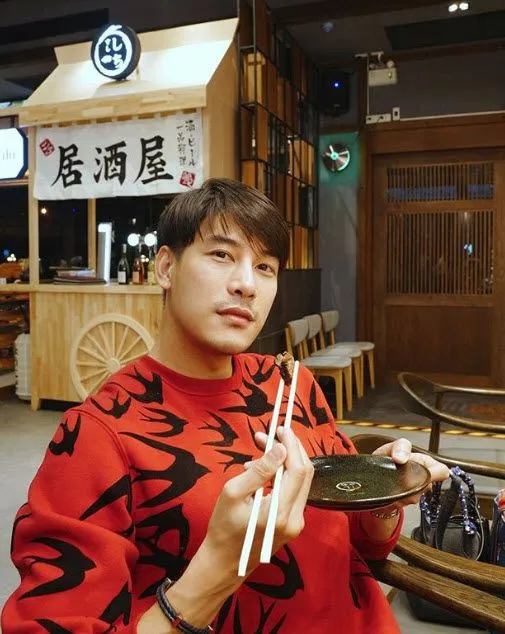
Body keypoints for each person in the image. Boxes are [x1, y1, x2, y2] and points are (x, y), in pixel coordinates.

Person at [1, 178, 449, 634]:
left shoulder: (291, 383)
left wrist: (383, 496)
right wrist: (219, 565)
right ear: (166, 268)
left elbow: (364, 547)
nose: (247, 285)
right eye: (221, 255)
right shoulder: (97, 434)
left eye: (265, 266)